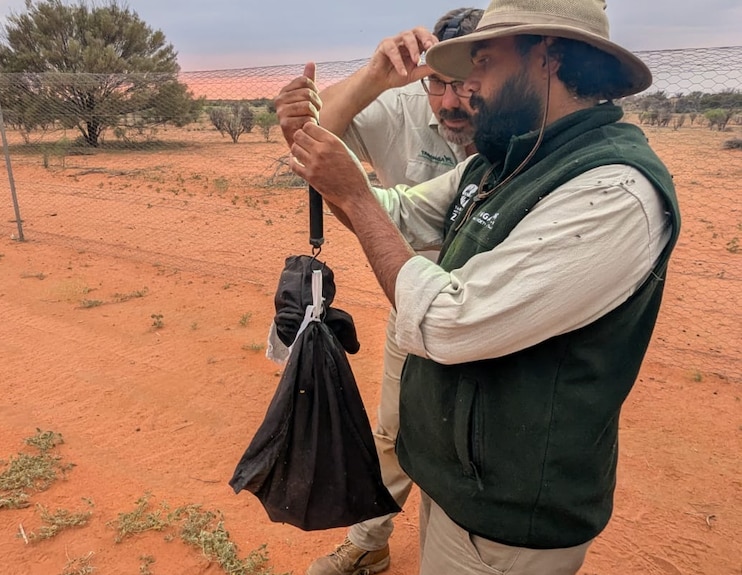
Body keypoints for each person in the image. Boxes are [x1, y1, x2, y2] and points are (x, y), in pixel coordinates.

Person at [278, 0, 682, 573]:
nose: (469, 86)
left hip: (509, 519)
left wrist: (356, 196)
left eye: (484, 61)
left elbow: (449, 321)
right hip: (463, 483)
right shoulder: (505, 161)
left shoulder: (612, 191)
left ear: (548, 56)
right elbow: (400, 215)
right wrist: (322, 161)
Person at [275, 9, 483, 575]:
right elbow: (317, 136)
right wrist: (374, 76)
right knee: (393, 428)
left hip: (494, 308)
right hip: (410, 294)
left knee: (473, 447)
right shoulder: (402, 104)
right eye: (438, 82)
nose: (451, 101)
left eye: (467, 84)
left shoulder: (516, 123)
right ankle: (370, 540)